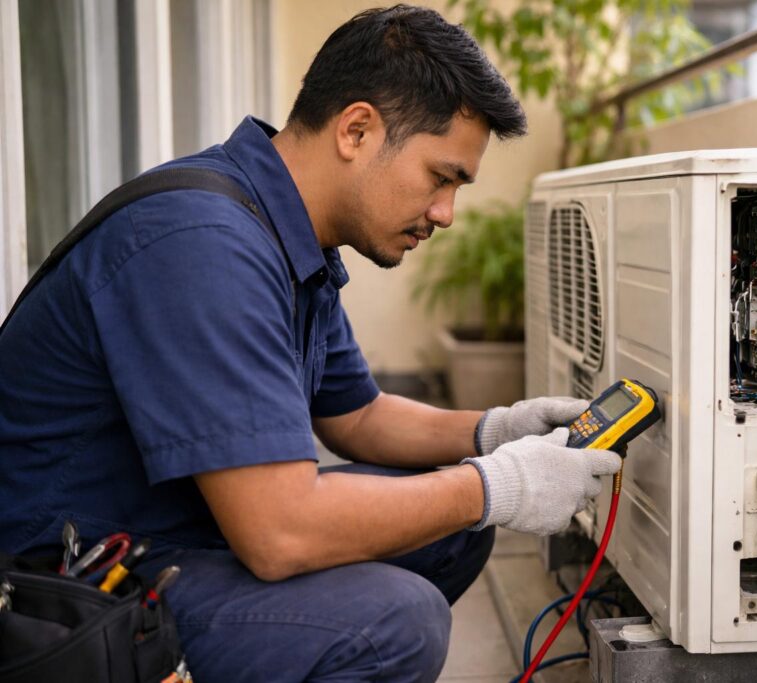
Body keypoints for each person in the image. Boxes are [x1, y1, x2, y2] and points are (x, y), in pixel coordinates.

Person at [0, 5, 622, 682]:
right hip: (57, 594)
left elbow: (357, 414)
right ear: (356, 129)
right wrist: (498, 487)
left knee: (452, 529)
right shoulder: (203, 248)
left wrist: (494, 432)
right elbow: (279, 533)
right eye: (441, 177)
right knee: (395, 619)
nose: (446, 212)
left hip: (173, 527)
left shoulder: (283, 232)